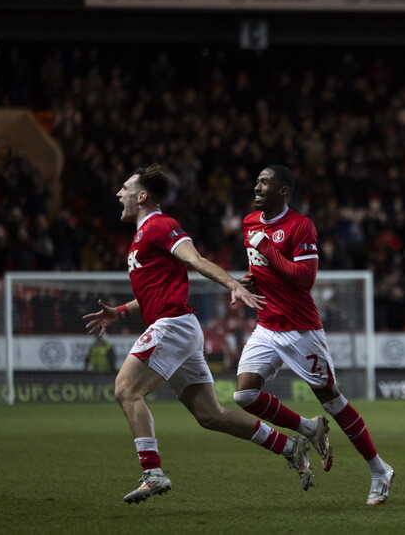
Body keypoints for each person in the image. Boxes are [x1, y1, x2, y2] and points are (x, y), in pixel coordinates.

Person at [82, 164, 315, 505]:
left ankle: (153, 473)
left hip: (173, 325)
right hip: (178, 327)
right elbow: (153, 291)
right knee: (211, 415)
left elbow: (196, 260)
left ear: (142, 196)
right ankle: (289, 445)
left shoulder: (161, 225)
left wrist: (233, 283)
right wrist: (119, 312)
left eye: (125, 188)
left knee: (125, 390)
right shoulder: (142, 234)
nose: (119, 194)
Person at [233, 165, 394, 506]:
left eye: (265, 181)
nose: (257, 185)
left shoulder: (300, 225)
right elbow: (261, 268)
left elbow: (304, 278)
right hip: (267, 325)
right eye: (257, 180)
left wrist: (269, 249)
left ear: (284, 191)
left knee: (332, 400)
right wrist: (250, 281)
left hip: (300, 329)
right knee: (244, 395)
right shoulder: (249, 223)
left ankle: (380, 470)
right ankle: (308, 428)